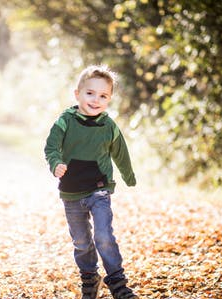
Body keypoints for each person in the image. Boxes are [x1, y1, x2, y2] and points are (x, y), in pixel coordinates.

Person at [44, 65, 138, 299]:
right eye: (90, 93)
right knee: (81, 242)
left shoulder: (108, 126)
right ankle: (89, 278)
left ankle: (118, 284)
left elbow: (120, 152)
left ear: (109, 99)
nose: (96, 100)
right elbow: (51, 146)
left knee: (104, 235)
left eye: (103, 95)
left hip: (99, 190)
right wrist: (55, 163)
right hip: (72, 191)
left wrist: (128, 175)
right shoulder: (65, 121)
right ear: (77, 94)